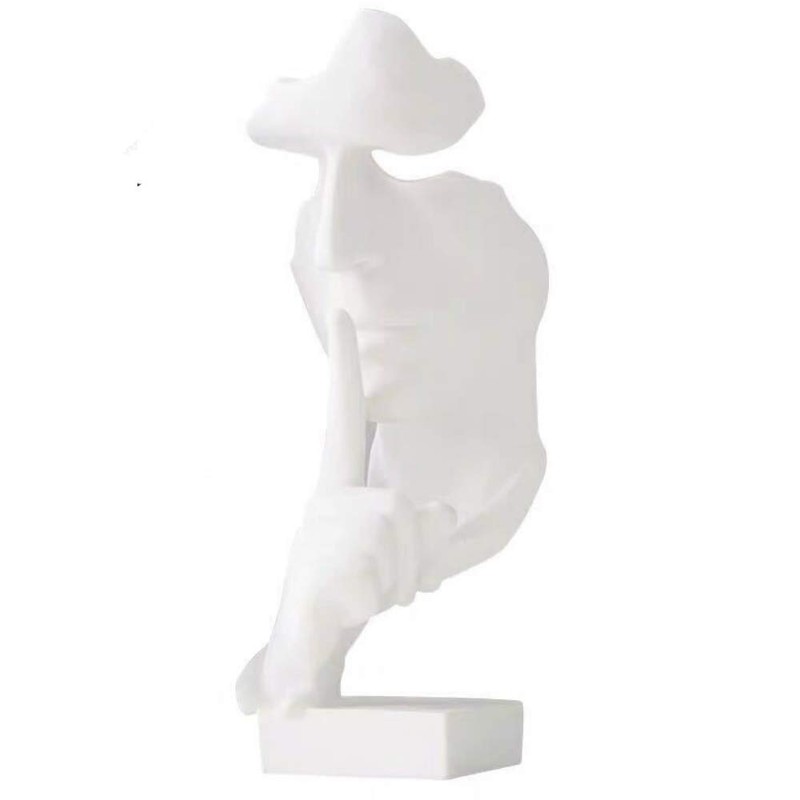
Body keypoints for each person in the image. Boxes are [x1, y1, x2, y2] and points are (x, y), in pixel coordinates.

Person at [237, 10, 547, 714]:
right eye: (320, 186)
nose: (334, 248)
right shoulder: (355, 514)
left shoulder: (504, 497)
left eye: (393, 171)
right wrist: (299, 641)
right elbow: (289, 709)